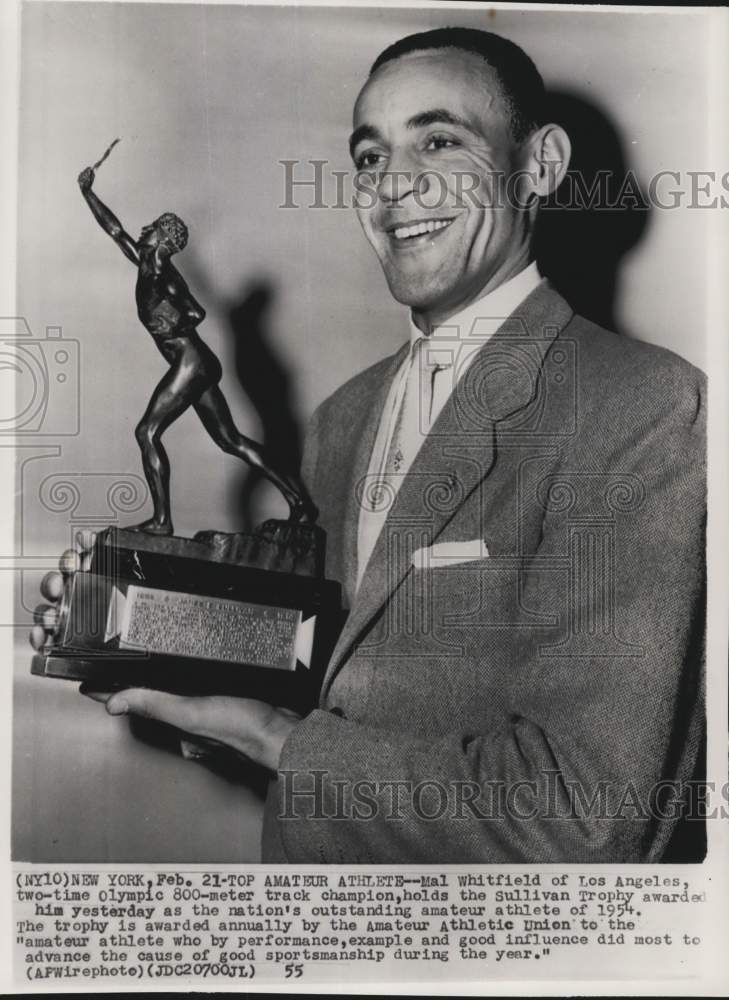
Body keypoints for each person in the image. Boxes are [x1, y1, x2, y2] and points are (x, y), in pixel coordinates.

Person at [34, 28, 705, 862]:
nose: (394, 185)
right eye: (368, 156)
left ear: (539, 165)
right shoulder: (344, 417)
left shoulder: (634, 403)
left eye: (438, 140)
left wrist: (278, 740)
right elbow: (326, 680)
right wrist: (151, 629)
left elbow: (584, 814)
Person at [77, 166, 314, 533]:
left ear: (163, 237)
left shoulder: (164, 277)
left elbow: (196, 311)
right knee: (230, 440)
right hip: (198, 363)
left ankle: (161, 521)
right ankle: (300, 503)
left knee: (147, 432)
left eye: (154, 226)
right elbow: (114, 229)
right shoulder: (146, 264)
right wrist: (88, 193)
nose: (146, 228)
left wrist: (170, 321)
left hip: (191, 361)